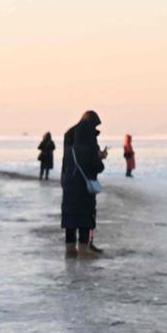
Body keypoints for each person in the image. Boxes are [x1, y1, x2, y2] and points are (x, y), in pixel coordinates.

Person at [61, 109, 107, 256]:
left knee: (70, 217)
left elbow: (65, 166)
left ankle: (70, 249)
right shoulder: (90, 148)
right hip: (84, 189)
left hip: (69, 187)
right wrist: (100, 157)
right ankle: (83, 248)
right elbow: (98, 167)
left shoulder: (70, 149)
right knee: (85, 217)